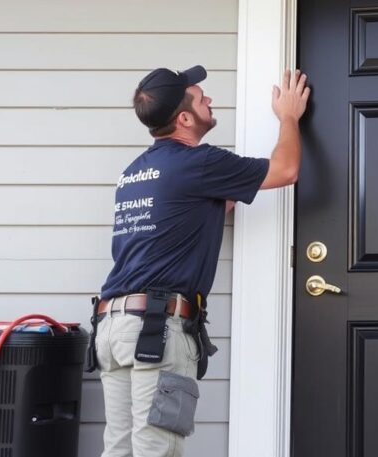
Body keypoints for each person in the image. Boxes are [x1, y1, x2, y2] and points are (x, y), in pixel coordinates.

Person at [88, 66, 310, 457]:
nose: (209, 99)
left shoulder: (135, 173)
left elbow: (190, 214)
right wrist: (289, 116)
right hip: (154, 331)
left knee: (119, 451)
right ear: (185, 118)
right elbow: (286, 169)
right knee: (158, 450)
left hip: (113, 329)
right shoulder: (198, 163)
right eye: (200, 97)